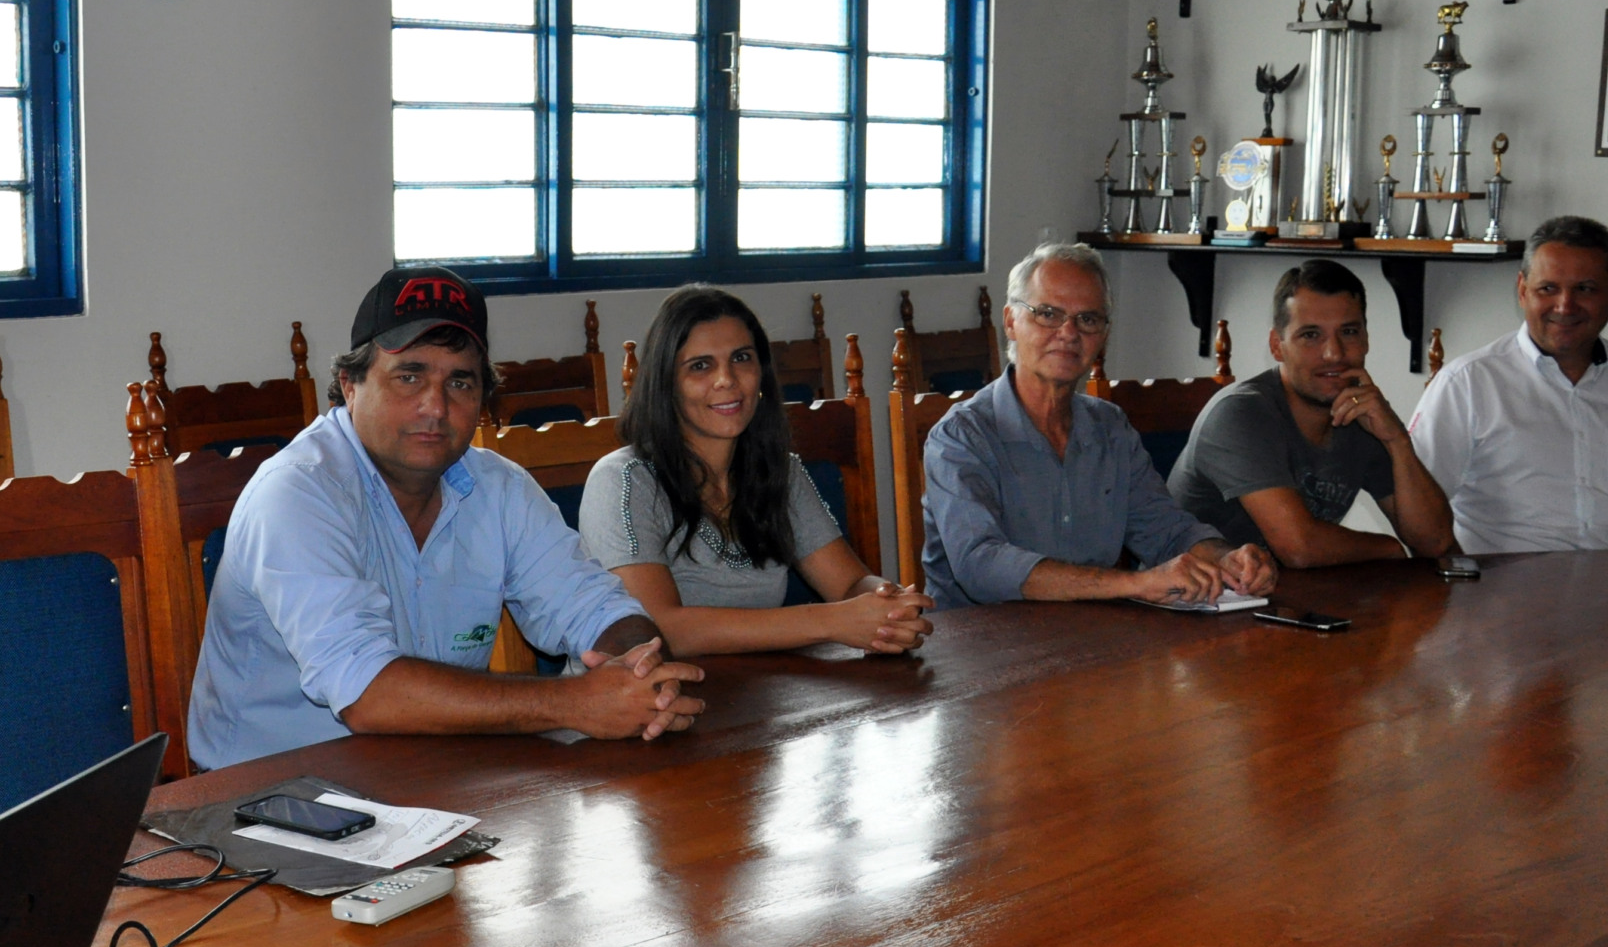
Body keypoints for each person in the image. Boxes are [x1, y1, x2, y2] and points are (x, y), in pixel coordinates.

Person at [187, 265, 707, 768]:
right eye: (409, 376)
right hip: (268, 801)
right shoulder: (299, 492)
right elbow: (368, 693)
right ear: (350, 385)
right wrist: (576, 702)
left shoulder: (497, 487)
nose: (435, 406)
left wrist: (641, 673)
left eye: (460, 383)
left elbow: (596, 607)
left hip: (435, 778)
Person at [922, 242, 1278, 608]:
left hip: (1092, 640)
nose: (1069, 332)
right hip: (980, 648)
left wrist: (1226, 558)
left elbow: (1166, 529)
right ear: (1011, 321)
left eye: (1088, 319)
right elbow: (980, 565)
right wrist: (1135, 584)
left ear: (1103, 336)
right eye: (1048, 314)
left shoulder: (1110, 427)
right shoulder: (961, 437)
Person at [581, 286, 933, 656]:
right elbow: (659, 631)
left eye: (741, 358)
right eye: (700, 366)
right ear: (666, 385)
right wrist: (834, 620)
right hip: (642, 705)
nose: (726, 380)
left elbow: (849, 585)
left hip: (756, 695)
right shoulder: (624, 480)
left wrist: (886, 605)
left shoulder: (779, 471)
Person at [1410, 216, 1608, 553]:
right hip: (1500, 598)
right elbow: (1416, 512)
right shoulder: (1467, 383)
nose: (1565, 306)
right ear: (1523, 291)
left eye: (1584, 289)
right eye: (1548, 289)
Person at [1167, 259, 1456, 567]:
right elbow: (1300, 548)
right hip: (1191, 603)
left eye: (1348, 331)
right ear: (1277, 346)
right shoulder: (1240, 414)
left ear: (1366, 339)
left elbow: (1435, 542)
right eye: (1310, 335)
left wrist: (1397, 440)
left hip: (1291, 602)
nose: (1333, 353)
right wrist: (1390, 549)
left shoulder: (1362, 415)